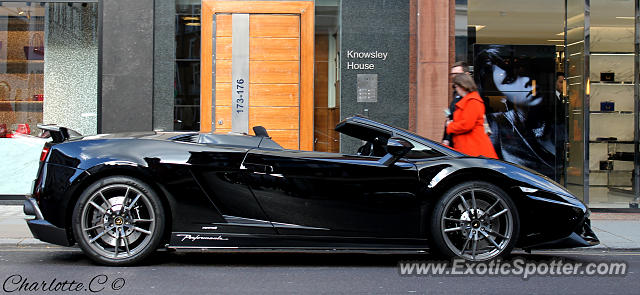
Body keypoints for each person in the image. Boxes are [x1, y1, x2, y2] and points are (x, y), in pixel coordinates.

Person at [474, 45, 563, 180]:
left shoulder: (553, 116)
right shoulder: (499, 127)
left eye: (524, 71)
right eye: (509, 80)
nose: (526, 81)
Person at [446, 74, 498, 159]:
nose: (456, 89)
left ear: (462, 86)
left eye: (456, 86)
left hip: (473, 149)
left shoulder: (472, 101)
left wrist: (450, 126)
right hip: (471, 148)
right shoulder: (470, 100)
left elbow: (467, 124)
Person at [442, 61, 470, 147]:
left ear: (467, 74)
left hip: (466, 143)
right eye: (452, 74)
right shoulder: (456, 93)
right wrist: (446, 139)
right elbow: (451, 118)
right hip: (454, 141)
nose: (454, 77)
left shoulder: (472, 95)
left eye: (457, 74)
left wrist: (450, 126)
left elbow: (467, 124)